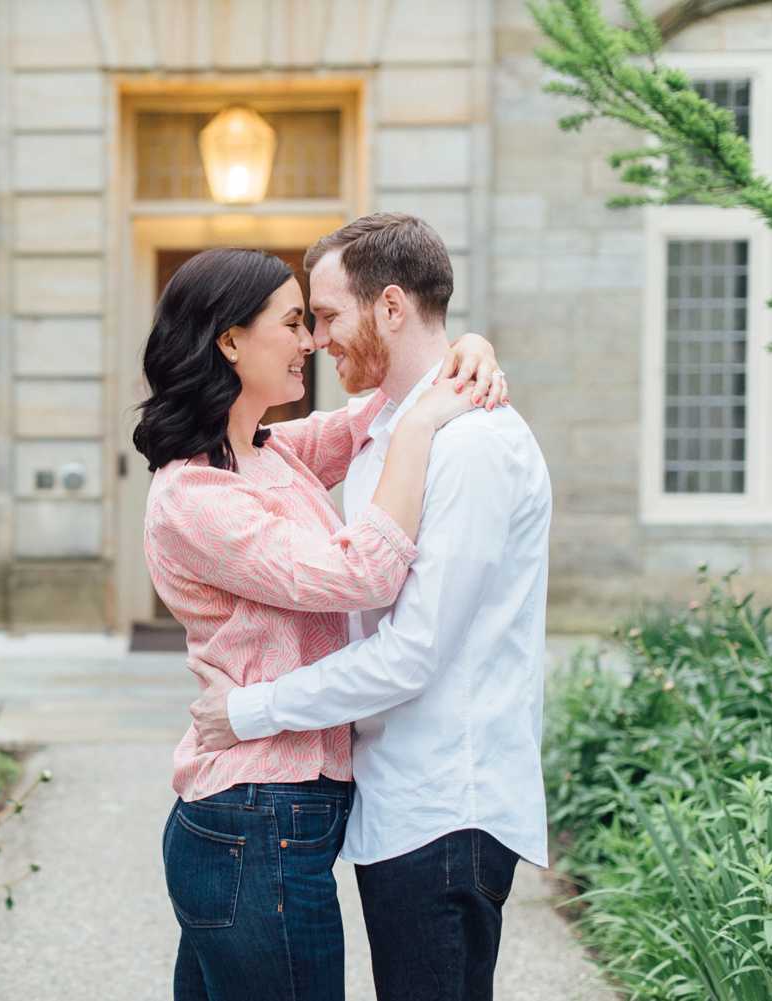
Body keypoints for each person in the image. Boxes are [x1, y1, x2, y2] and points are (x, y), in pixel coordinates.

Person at [187, 214, 553, 1001]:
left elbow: (413, 651)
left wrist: (249, 709)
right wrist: (466, 348)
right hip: (397, 803)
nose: (316, 340)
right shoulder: (394, 426)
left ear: (390, 307)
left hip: (448, 805)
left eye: (324, 316)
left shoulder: (474, 444)